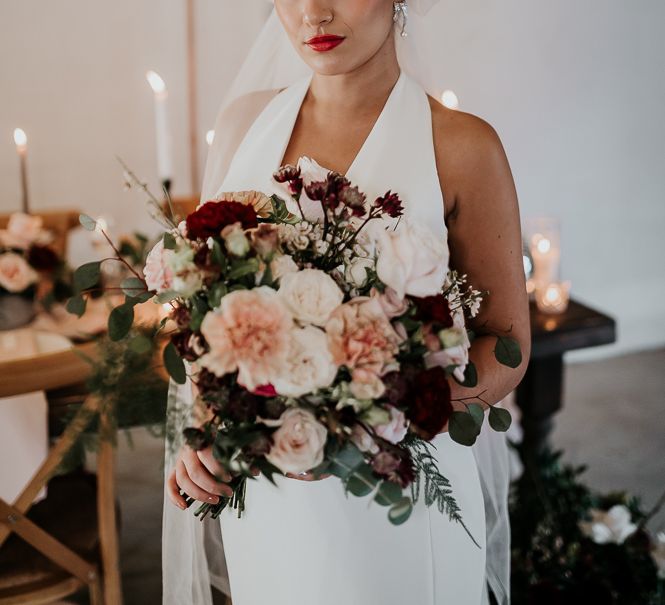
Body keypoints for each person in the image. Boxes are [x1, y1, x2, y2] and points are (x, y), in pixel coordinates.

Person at [163, 1, 530, 603]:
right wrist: (209, 431)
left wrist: (379, 422)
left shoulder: (463, 146)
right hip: (271, 497)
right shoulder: (241, 127)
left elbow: (507, 344)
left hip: (404, 492)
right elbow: (203, 322)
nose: (314, 12)